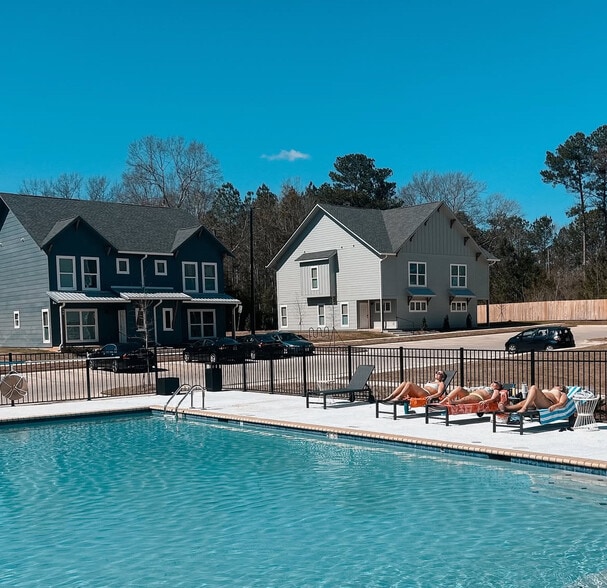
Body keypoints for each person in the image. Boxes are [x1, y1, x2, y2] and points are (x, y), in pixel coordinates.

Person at [382, 370, 447, 403]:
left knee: (409, 384)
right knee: (404, 383)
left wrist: (431, 396)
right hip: (421, 392)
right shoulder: (430, 381)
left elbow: (439, 393)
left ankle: (399, 398)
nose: (437, 373)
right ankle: (391, 396)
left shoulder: (441, 383)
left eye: (439, 373)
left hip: (427, 394)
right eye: (436, 372)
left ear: (442, 377)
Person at [500, 385, 569, 413]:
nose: (555, 386)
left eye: (557, 385)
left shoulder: (562, 394)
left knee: (534, 387)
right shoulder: (548, 390)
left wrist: (554, 406)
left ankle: (525, 408)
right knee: (521, 403)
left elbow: (562, 403)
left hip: (548, 403)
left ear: (561, 388)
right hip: (538, 401)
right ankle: (506, 408)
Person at [440, 381, 507, 407]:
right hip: (470, 393)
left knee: (467, 398)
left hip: (479, 397)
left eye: (495, 382)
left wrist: (485, 401)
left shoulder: (496, 390)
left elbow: (493, 399)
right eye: (492, 382)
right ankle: (443, 401)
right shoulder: (485, 387)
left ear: (498, 386)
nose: (493, 383)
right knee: (459, 388)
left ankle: (453, 402)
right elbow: (472, 389)